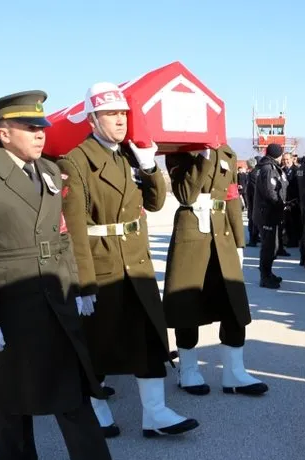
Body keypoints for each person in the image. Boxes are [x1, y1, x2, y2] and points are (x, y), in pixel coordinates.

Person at [0, 90, 137, 460]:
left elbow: (63, 239)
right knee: (9, 394)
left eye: (42, 126)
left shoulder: (51, 172)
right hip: (5, 297)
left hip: (52, 295)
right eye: (29, 127)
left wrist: (76, 287)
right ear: (3, 133)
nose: (40, 134)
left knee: (71, 387)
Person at [57, 82, 198, 438]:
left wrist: (149, 165)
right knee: (98, 341)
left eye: (122, 113)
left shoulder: (128, 154)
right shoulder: (75, 162)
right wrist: (83, 283)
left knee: (149, 337)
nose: (120, 120)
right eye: (110, 114)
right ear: (92, 119)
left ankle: (156, 413)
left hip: (135, 261)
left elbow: (155, 203)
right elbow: (74, 228)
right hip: (103, 263)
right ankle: (95, 406)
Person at [163, 147, 268, 396]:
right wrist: (203, 156)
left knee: (234, 303)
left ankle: (234, 372)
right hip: (191, 232)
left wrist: (240, 243)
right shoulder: (180, 152)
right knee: (187, 302)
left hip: (223, 235)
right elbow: (186, 194)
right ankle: (188, 370)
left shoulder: (229, 154)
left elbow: (231, 198)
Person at [254, 143, 287, 288]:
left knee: (273, 246)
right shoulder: (268, 169)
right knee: (268, 247)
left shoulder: (272, 167)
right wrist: (280, 204)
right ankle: (265, 277)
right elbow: (270, 192)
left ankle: (268, 272)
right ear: (278, 155)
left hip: (272, 213)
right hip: (266, 214)